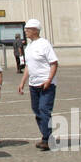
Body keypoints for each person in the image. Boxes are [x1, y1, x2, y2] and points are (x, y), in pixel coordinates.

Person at [18, 19, 58, 151]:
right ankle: (45, 135)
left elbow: (54, 63)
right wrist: (23, 82)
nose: (25, 31)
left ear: (35, 30)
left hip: (46, 83)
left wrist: (49, 79)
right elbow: (29, 66)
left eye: (27, 29)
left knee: (44, 109)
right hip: (33, 84)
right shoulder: (28, 47)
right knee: (36, 110)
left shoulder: (44, 44)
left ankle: (47, 138)